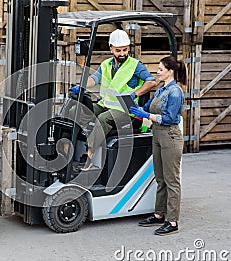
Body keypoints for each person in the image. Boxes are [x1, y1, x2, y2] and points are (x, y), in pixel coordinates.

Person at [70, 29, 156, 170]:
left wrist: (135, 94)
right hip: (106, 104)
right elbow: (94, 78)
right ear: (111, 49)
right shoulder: (105, 65)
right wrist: (82, 87)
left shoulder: (135, 65)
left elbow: (152, 81)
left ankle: (88, 157)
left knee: (103, 119)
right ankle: (69, 149)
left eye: (125, 50)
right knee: (75, 111)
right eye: (118, 50)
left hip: (126, 110)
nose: (122, 53)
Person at [129, 56, 186, 235]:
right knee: (160, 178)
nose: (157, 72)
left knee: (172, 180)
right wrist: (134, 105)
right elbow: (147, 107)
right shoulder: (161, 89)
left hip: (170, 136)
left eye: (160, 69)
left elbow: (170, 118)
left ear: (170, 71)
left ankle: (172, 221)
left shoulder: (175, 92)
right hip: (157, 135)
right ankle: (159, 215)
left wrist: (148, 116)